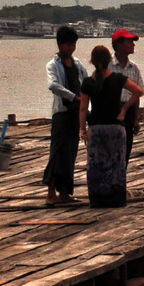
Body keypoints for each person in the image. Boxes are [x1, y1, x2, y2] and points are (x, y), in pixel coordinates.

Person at [80, 44, 142, 208]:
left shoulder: (87, 83)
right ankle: (116, 198)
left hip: (96, 127)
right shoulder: (117, 79)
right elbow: (138, 91)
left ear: (92, 61)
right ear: (109, 61)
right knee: (116, 164)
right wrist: (124, 109)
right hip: (115, 127)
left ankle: (97, 199)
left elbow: (83, 108)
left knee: (95, 163)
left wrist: (82, 129)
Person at [42, 26, 86, 206]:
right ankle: (51, 193)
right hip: (61, 113)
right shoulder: (53, 65)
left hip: (76, 112)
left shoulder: (77, 64)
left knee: (70, 153)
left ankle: (65, 193)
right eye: (68, 44)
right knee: (57, 153)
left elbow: (86, 80)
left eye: (74, 44)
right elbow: (53, 85)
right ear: (60, 44)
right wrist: (73, 96)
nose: (72, 48)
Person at [111, 29, 144, 162]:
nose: (133, 45)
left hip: (129, 109)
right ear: (119, 45)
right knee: (113, 149)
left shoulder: (134, 68)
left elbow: (137, 95)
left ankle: (121, 179)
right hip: (113, 109)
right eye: (129, 42)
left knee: (127, 148)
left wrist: (136, 118)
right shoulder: (108, 65)